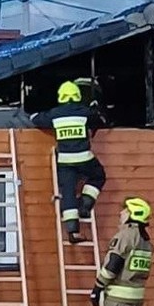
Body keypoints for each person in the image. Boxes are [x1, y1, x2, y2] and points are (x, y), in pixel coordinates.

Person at [31, 80, 106, 242]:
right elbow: (99, 120)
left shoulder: (55, 114)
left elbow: (37, 119)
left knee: (68, 193)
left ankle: (72, 232)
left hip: (65, 161)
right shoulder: (84, 112)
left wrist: (34, 114)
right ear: (78, 95)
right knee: (98, 176)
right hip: (84, 158)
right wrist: (95, 109)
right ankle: (85, 205)